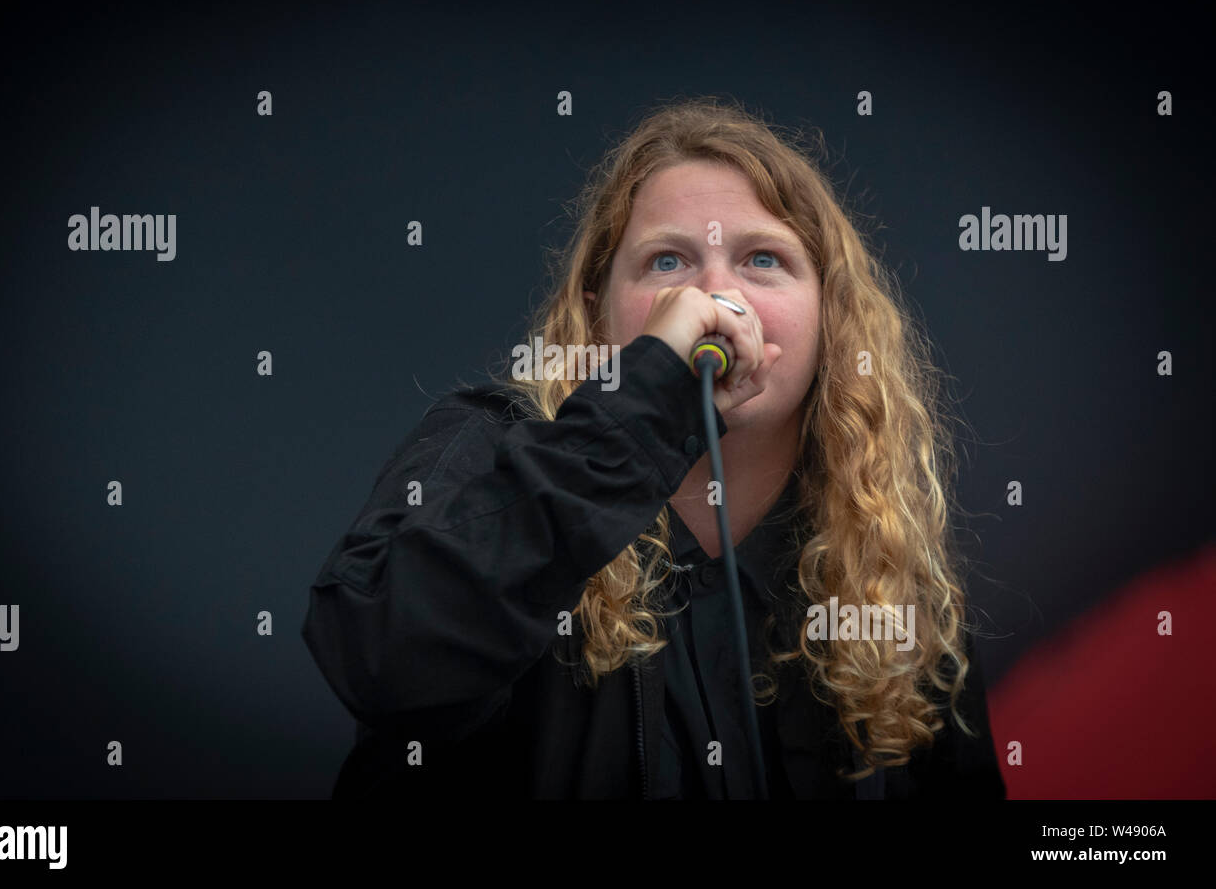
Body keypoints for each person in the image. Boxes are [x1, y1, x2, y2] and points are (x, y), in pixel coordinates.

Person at [301, 95, 1007, 800]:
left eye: (763, 259)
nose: (715, 297)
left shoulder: (879, 562)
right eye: (667, 261)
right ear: (596, 316)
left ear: (831, 318)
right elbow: (375, 656)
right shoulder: (486, 443)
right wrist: (647, 398)